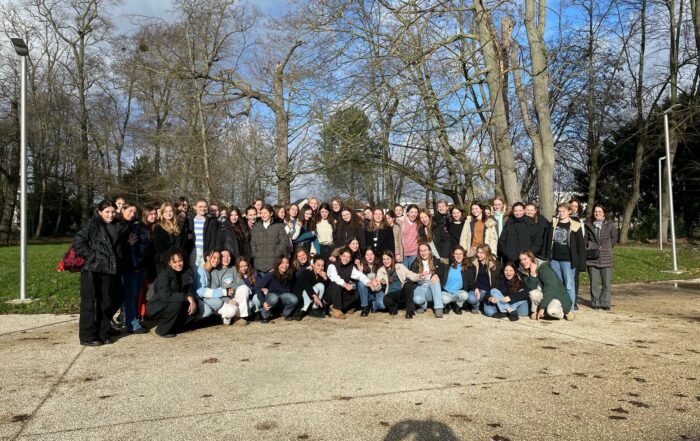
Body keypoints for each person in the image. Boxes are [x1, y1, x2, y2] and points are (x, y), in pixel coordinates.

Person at [73, 200, 128, 346]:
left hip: (110, 270)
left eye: (113, 212)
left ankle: (103, 332)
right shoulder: (92, 225)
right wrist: (93, 256)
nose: (110, 215)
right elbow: (78, 242)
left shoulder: (118, 225)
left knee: (108, 301)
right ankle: (87, 336)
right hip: (92, 269)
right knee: (89, 303)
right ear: (99, 212)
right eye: (107, 212)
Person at [146, 249, 198, 338]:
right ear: (169, 263)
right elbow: (166, 296)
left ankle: (174, 327)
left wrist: (191, 298)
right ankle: (161, 330)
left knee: (193, 304)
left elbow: (189, 289)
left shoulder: (185, 272)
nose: (178, 264)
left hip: (172, 302)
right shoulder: (164, 275)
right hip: (157, 305)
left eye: (180, 261)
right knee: (176, 305)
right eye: (175, 262)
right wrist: (186, 297)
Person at [123, 205, 157, 334]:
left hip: (143, 266)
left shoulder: (149, 228)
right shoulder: (137, 227)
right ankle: (132, 324)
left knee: (136, 295)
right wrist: (135, 265)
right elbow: (133, 248)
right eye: (151, 214)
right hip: (134, 267)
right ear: (145, 214)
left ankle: (135, 320)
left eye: (155, 214)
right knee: (131, 295)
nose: (153, 216)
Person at [545, 202, 586, 310]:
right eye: (559, 211)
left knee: (569, 285)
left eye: (563, 211)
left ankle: (570, 308)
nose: (561, 213)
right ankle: (560, 306)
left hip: (568, 260)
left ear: (569, 211)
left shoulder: (575, 226)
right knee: (558, 285)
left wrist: (581, 263)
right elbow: (548, 240)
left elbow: (580, 245)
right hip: (554, 259)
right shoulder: (554, 223)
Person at [520, 250, 574, 321]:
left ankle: (564, 312)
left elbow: (551, 289)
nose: (523, 262)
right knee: (533, 293)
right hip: (544, 296)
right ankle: (537, 312)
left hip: (555, 296)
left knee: (551, 311)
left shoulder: (544, 268)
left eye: (525, 259)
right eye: (521, 260)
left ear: (531, 258)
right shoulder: (525, 271)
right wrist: (533, 274)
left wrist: (542, 307)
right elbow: (531, 288)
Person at [585, 204, 618, 311]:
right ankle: (595, 302)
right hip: (592, 257)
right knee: (594, 283)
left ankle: (605, 302)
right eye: (595, 211)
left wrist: (607, 247)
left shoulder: (610, 224)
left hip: (606, 256)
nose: (597, 213)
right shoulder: (588, 224)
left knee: (606, 283)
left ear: (604, 213)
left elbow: (614, 238)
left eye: (599, 211)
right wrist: (589, 247)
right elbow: (585, 238)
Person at [326, 247, 375, 319]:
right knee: (336, 284)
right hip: (331, 294)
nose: (345, 259)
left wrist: (368, 282)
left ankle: (345, 307)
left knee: (355, 290)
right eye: (344, 256)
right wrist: (345, 284)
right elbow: (334, 277)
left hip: (341, 293)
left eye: (348, 257)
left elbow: (360, 275)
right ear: (340, 256)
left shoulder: (350, 267)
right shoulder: (333, 265)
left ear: (350, 259)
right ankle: (335, 308)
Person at [193, 250, 238, 324]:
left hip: (209, 299)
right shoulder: (201, 270)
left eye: (218, 258)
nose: (216, 260)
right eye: (214, 257)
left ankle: (217, 317)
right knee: (212, 307)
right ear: (207, 258)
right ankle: (193, 320)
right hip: (198, 299)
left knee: (230, 308)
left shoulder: (211, 271)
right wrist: (224, 291)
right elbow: (200, 291)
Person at [210, 249, 250, 325]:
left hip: (234, 295)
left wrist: (231, 288)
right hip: (223, 299)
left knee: (244, 288)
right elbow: (214, 291)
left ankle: (239, 317)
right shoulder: (215, 272)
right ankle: (226, 317)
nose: (226, 258)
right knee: (231, 312)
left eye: (228, 256)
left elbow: (241, 283)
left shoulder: (234, 269)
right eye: (223, 256)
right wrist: (227, 298)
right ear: (220, 258)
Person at [254, 256, 299, 322]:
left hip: (282, 297)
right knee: (274, 298)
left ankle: (285, 313)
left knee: (294, 299)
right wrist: (263, 302)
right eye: (282, 263)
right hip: (271, 296)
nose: (285, 265)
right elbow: (257, 286)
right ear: (278, 264)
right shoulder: (271, 274)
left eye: (287, 263)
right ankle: (265, 315)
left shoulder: (290, 274)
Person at [376, 250, 419, 318]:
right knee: (386, 300)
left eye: (388, 259)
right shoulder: (381, 270)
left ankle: (410, 311)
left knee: (408, 285)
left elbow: (410, 274)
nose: (386, 261)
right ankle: (395, 306)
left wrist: (419, 276)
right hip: (391, 293)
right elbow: (377, 284)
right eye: (384, 259)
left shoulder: (399, 266)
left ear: (392, 259)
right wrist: (376, 283)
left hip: (401, 291)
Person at [250, 204, 289, 274]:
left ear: (271, 213)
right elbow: (253, 243)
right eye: (261, 213)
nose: (263, 215)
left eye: (265, 213)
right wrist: (255, 254)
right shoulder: (256, 227)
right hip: (259, 264)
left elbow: (284, 242)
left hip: (274, 264)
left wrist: (277, 254)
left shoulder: (279, 226)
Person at [464, 244, 502, 314]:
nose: (479, 255)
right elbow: (470, 280)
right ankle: (476, 305)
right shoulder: (474, 263)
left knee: (490, 313)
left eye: (481, 253)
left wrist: (489, 296)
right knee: (470, 298)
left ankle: (484, 303)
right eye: (478, 252)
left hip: (489, 292)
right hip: (478, 290)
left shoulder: (495, 265)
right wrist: (475, 288)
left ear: (487, 254)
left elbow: (497, 282)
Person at [410, 242, 444, 318]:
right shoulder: (415, 263)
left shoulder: (436, 261)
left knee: (435, 279)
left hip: (432, 288)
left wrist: (435, 274)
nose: (423, 253)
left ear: (429, 251)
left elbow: (442, 273)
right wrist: (418, 277)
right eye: (421, 251)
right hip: (420, 287)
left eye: (425, 250)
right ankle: (423, 306)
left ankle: (438, 308)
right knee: (417, 299)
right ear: (419, 252)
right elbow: (411, 276)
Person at [153, 202, 187, 274]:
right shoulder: (158, 227)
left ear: (174, 212)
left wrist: (176, 258)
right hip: (163, 261)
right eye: (165, 211)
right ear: (162, 213)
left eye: (170, 211)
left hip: (178, 261)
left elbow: (183, 244)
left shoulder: (181, 226)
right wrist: (169, 259)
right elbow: (158, 247)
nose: (168, 214)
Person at [188, 198, 222, 269]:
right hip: (194, 251)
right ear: (195, 207)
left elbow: (214, 238)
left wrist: (211, 252)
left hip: (206, 251)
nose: (203, 209)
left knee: (206, 272)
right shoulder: (190, 220)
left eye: (205, 207)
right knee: (194, 271)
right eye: (200, 206)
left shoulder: (211, 220)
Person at [438, 245, 469, 315]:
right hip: (446, 292)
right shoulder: (447, 266)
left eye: (460, 254)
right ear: (453, 255)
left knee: (465, 295)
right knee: (445, 299)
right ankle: (446, 306)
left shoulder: (466, 268)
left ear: (463, 255)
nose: (458, 256)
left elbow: (469, 283)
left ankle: (457, 306)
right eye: (456, 254)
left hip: (457, 293)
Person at [356, 248, 385, 315]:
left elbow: (383, 278)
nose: (370, 256)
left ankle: (373, 304)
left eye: (371, 254)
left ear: (374, 255)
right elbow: (360, 280)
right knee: (361, 283)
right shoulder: (361, 264)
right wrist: (361, 272)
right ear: (365, 256)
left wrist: (380, 281)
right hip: (367, 291)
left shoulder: (380, 264)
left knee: (382, 305)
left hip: (378, 289)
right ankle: (365, 306)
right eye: (367, 254)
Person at [401, 204, 420, 268]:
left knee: (413, 271)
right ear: (407, 213)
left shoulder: (418, 223)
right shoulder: (401, 222)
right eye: (411, 212)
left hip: (414, 253)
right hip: (403, 253)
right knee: (404, 272)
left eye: (415, 212)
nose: (413, 214)